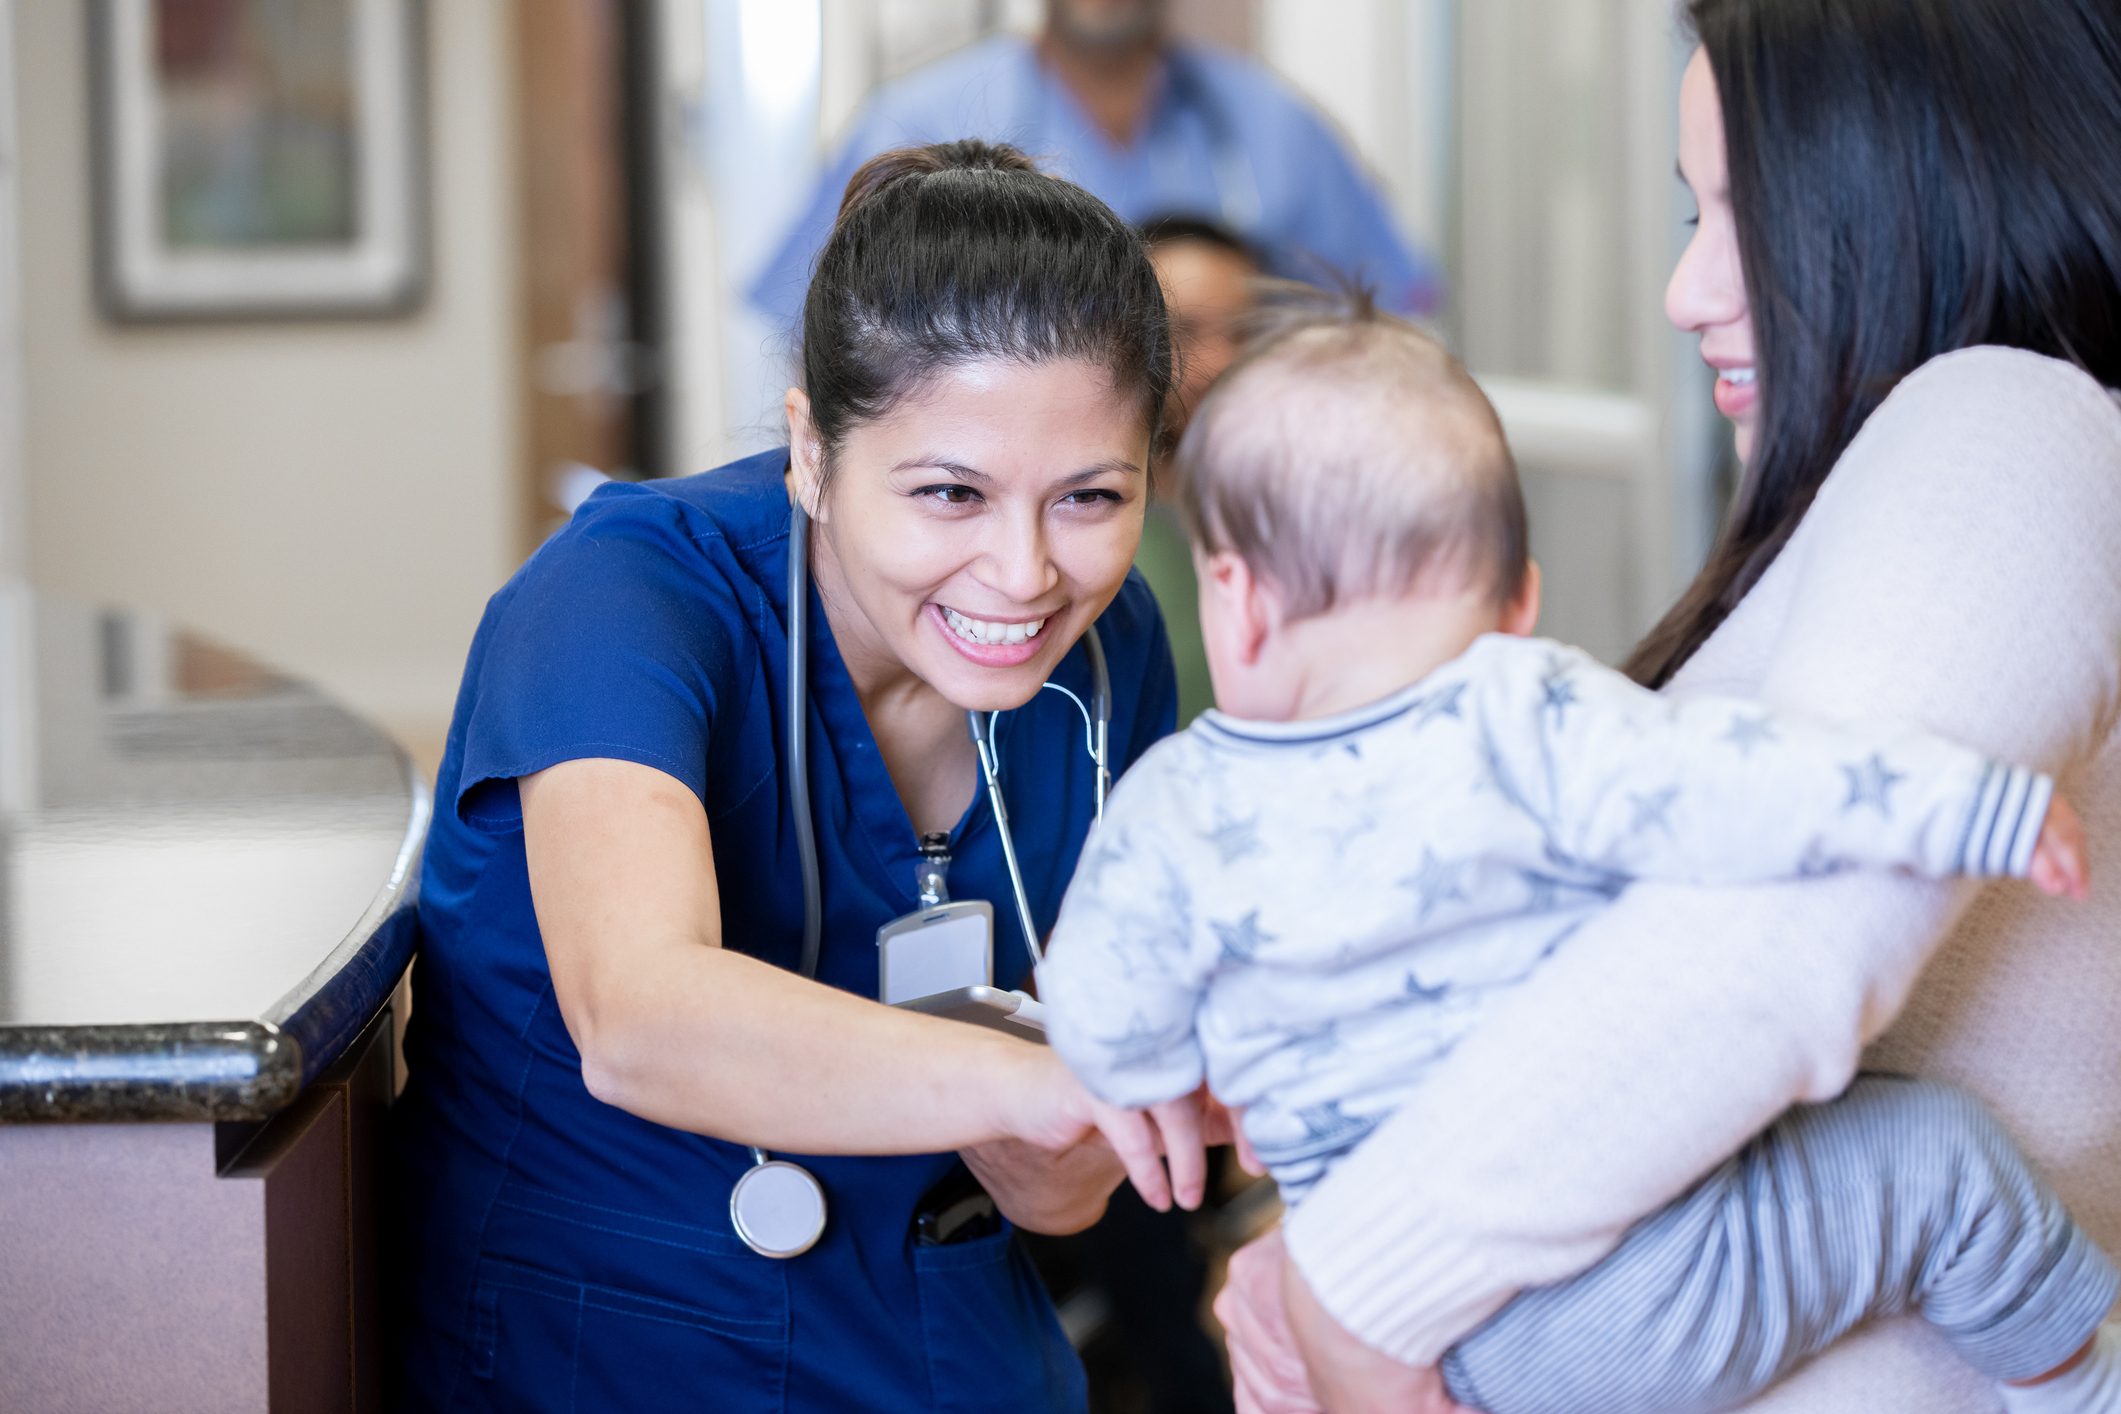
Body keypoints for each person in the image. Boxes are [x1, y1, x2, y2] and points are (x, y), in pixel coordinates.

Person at [1211, 0, 2121, 1410]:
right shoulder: (1913, 486)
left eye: (1735, 214)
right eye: (1683, 216)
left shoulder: (2008, 422)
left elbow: (1778, 936)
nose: (1683, 292)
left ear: (1907, 195)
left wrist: (1358, 1279)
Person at [1040, 287, 2116, 1414]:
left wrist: (1168, 1074)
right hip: (1644, 1281)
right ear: (1520, 604)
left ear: (1237, 601)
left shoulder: (1167, 813)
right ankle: (2076, 1388)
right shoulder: (1526, 710)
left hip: (1438, 1348)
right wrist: (1969, 803)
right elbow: (1750, 780)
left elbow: (1101, 1009)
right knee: (1935, 1160)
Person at [385, 139, 1220, 1412]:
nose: (1024, 572)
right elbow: (640, 1015)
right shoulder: (620, 599)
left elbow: (1052, 1183)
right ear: (813, 455)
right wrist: (1045, 1077)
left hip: (949, 1345)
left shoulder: (1111, 660)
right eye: (950, 492)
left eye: (1089, 497)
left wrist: (1126, 1118)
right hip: (610, 1350)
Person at [746, 0, 1438, 336]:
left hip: (1228, 512)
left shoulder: (1277, 128)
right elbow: (819, 334)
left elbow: (1381, 328)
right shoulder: (917, 121)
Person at [1136, 214, 1265, 726]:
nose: (1219, 360)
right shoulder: (1089, 528)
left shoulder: (1311, 519)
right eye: (1183, 330)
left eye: (1245, 331)